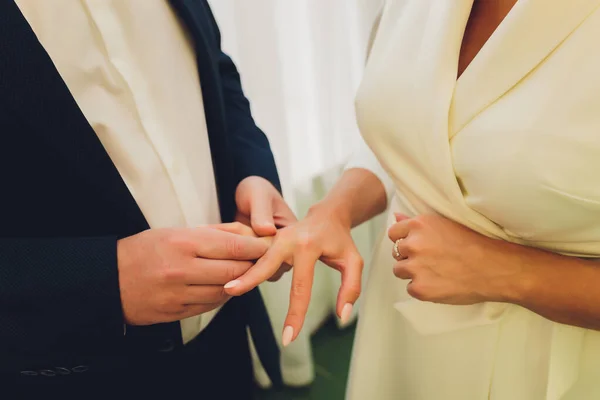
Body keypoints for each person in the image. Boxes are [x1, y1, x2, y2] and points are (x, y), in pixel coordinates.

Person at [223, 0, 600, 398]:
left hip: (551, 360)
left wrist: (510, 272)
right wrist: (334, 210)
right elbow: (421, 128)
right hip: (401, 327)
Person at [1, 0, 295, 398]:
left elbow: (214, 68)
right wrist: (104, 281)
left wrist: (252, 172)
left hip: (227, 335)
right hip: (70, 372)